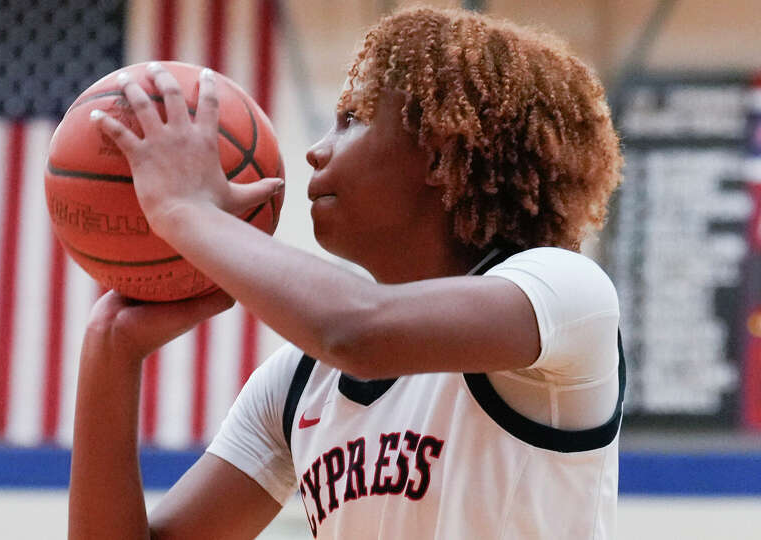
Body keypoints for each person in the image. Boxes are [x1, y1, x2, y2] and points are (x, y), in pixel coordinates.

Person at [71, 6, 624, 540]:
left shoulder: (565, 294)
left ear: (436, 154)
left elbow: (358, 331)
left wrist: (185, 212)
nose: (315, 152)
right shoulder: (297, 382)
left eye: (351, 121)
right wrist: (110, 346)